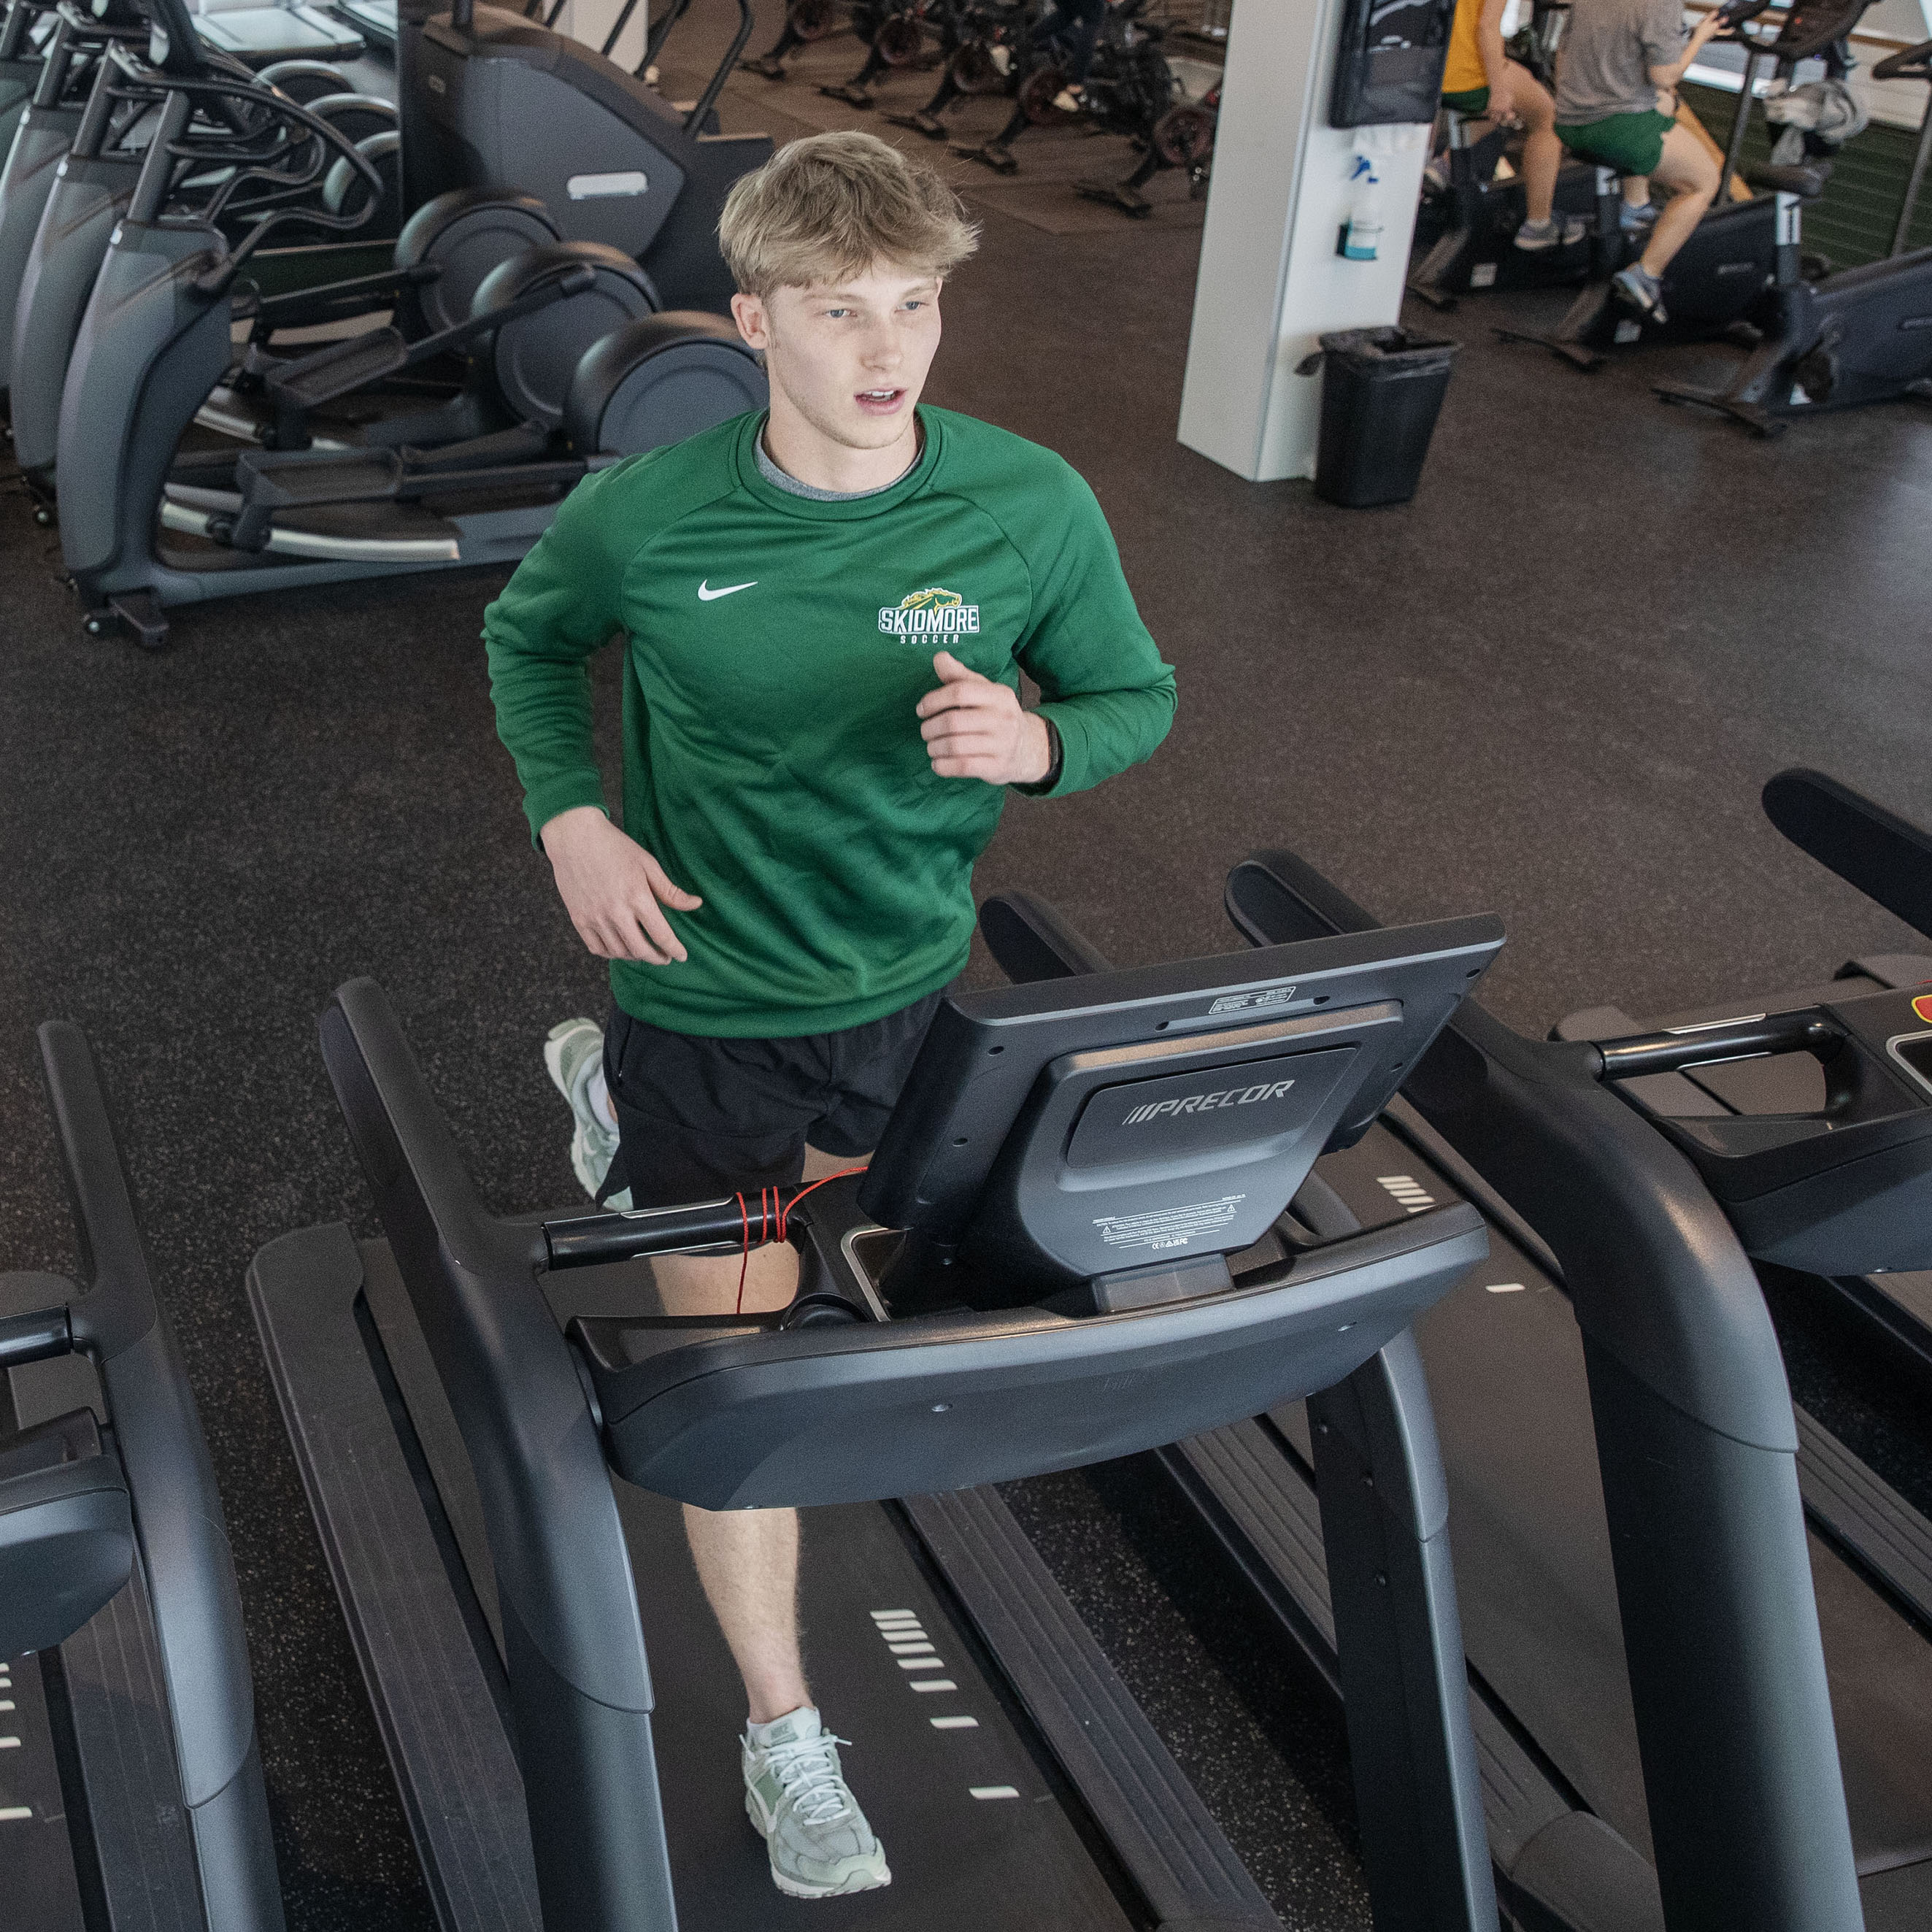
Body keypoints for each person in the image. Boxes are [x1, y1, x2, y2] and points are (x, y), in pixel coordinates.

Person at [482, 130, 1177, 1902]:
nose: (887, 350)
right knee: (747, 1390)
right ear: (751, 321)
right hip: (704, 994)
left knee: (854, 1250)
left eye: (919, 306)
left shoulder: (1027, 504)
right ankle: (785, 1729)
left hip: (913, 986)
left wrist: (1039, 744)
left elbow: (1131, 696)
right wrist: (572, 813)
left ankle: (602, 1101)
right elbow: (528, 642)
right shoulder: (652, 508)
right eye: (839, 309)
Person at [1552, 0, 1729, 316]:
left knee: (1662, 103)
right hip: (1617, 127)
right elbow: (1664, 76)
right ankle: (1646, 275)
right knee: (1704, 183)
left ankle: (1634, 206)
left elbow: (1563, 54)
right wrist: (1700, 37)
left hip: (1569, 119)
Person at [1437, 0, 1586, 249]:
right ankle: (1539, 225)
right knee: (1546, 119)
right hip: (1467, 75)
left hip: (1434, 72)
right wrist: (1499, 91)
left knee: (1511, 104)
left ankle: (1443, 165)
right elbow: (1487, 27)